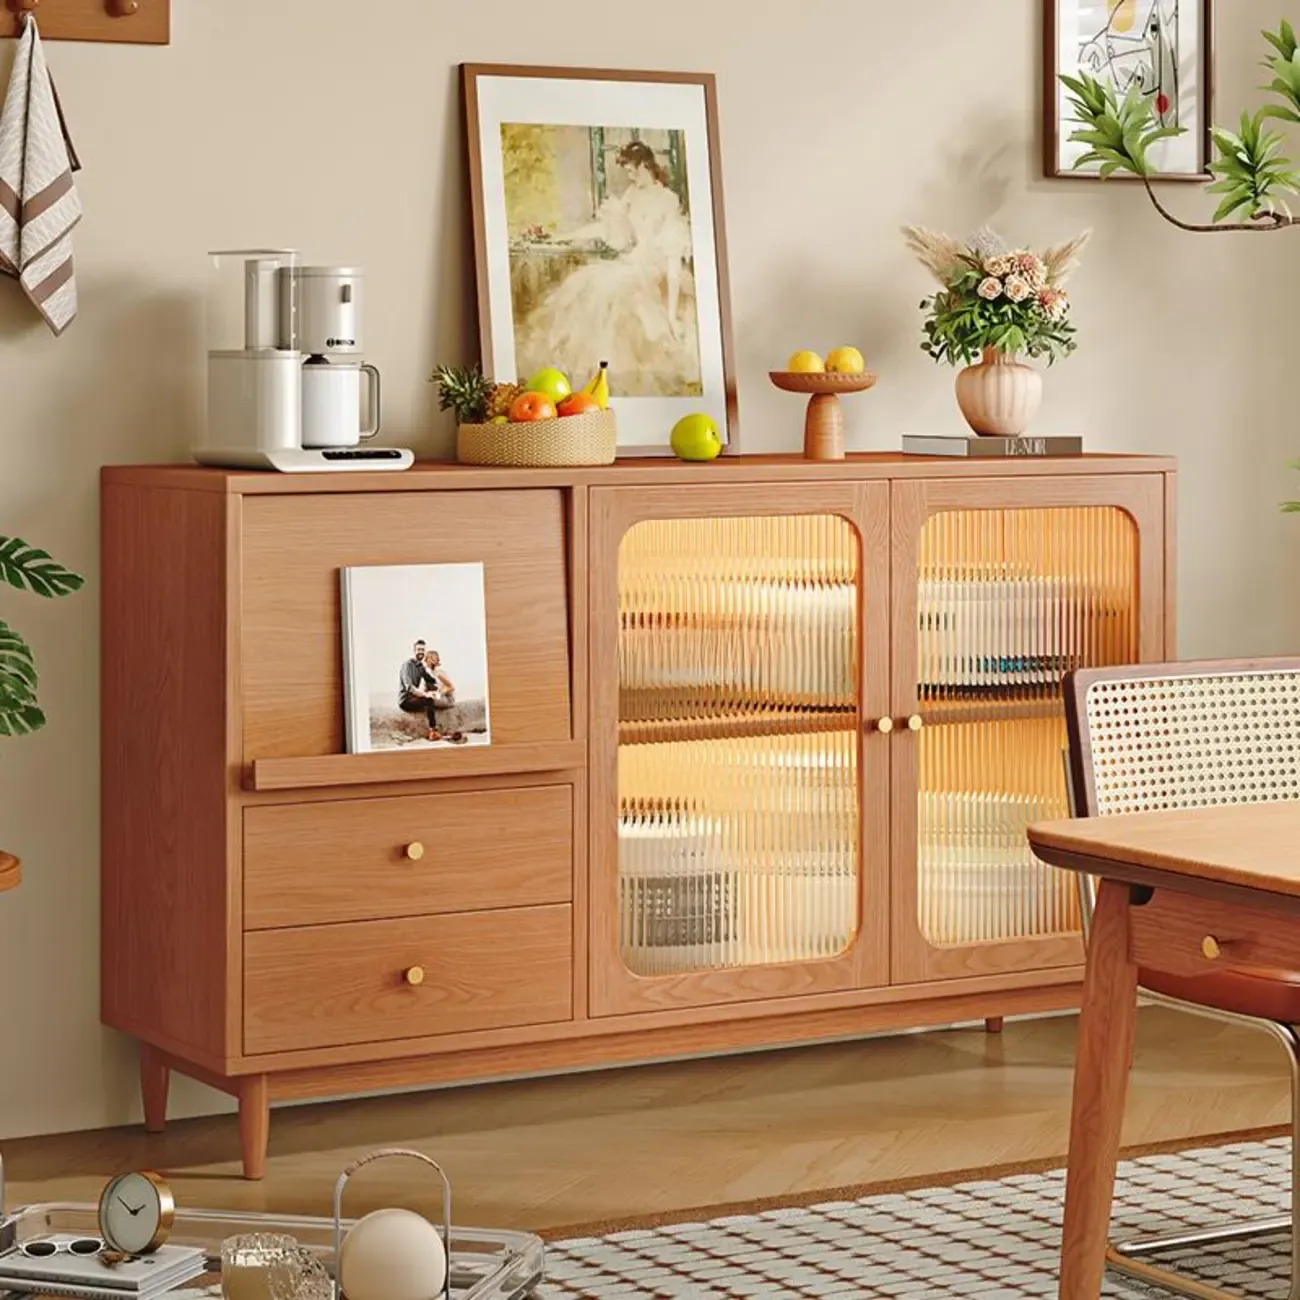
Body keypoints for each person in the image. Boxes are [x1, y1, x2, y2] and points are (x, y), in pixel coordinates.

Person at [517, 139, 701, 398]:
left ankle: (617, 381)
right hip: (633, 262)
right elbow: (605, 229)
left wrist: (670, 317)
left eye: (630, 170)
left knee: (616, 296)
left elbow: (672, 257)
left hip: (656, 270)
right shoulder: (632, 195)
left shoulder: (668, 200)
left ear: (644, 166)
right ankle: (588, 381)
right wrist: (560, 237)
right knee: (586, 285)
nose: (628, 176)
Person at [398, 638, 444, 741]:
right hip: (405, 700)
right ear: (414, 650)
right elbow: (408, 687)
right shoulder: (407, 665)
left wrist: (435, 688)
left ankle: (433, 729)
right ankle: (433, 731)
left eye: (423, 650)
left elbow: (430, 679)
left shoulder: (420, 666)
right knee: (428, 700)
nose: (421, 652)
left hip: (414, 697)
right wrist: (425, 694)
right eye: (419, 649)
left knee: (430, 692)